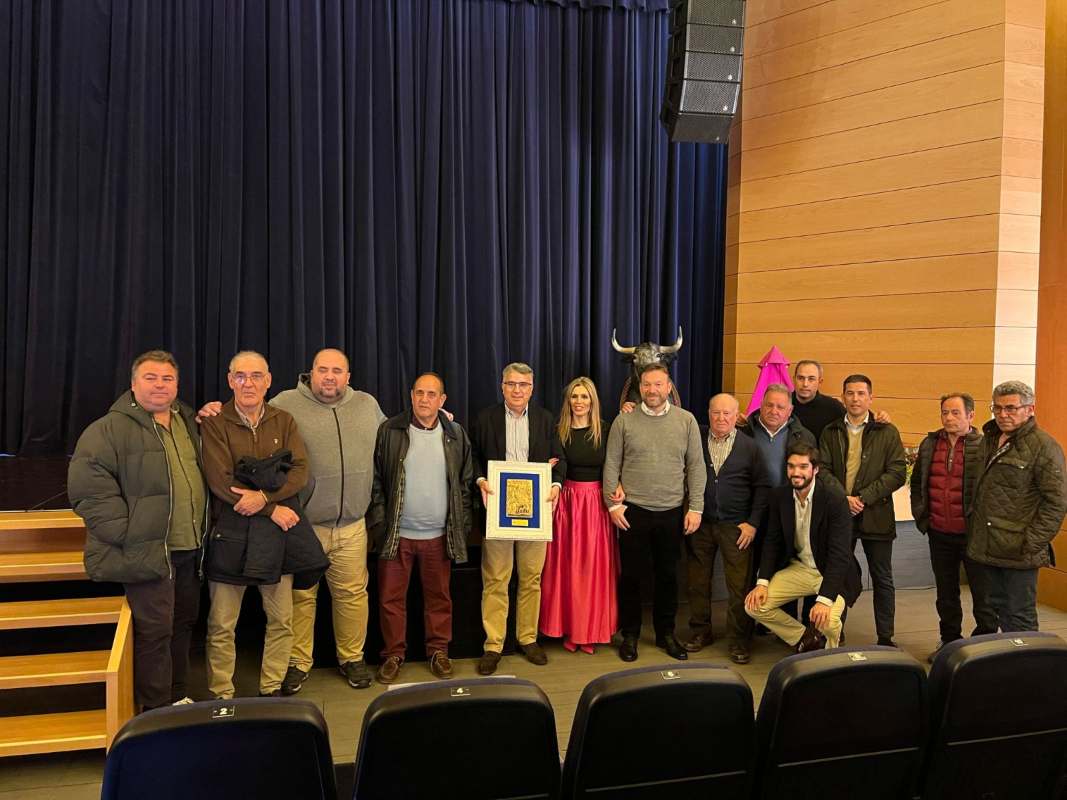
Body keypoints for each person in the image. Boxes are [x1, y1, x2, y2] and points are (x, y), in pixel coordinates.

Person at [69, 350, 207, 709]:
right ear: (133, 383)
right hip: (146, 552)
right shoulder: (107, 430)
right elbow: (89, 490)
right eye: (151, 377)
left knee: (182, 626)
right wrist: (130, 533)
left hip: (188, 548)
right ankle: (155, 713)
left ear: (176, 384)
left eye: (167, 379)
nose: (160, 385)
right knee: (154, 634)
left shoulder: (186, 421)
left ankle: (178, 699)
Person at [271, 350, 385, 693]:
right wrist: (214, 411)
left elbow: (395, 436)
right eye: (323, 370)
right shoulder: (285, 403)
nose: (330, 377)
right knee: (302, 597)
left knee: (352, 595)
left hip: (352, 524)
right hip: (305, 525)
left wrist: (441, 419)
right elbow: (251, 423)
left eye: (337, 371)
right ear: (311, 373)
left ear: (348, 376)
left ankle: (352, 658)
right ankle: (297, 662)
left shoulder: (367, 405)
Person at [200, 351, 309, 698]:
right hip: (230, 534)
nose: (249, 383)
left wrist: (263, 499)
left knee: (281, 620)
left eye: (256, 376)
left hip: (274, 538)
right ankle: (222, 694)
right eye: (241, 376)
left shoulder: (284, 420)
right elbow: (221, 482)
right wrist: (270, 506)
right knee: (221, 625)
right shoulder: (215, 423)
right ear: (230, 380)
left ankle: (271, 689)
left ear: (269, 380)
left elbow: (299, 472)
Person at [368, 373, 474, 684]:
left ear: (442, 400)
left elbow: (464, 484)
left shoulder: (456, 434)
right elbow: (376, 483)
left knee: (439, 598)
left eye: (431, 394)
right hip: (396, 536)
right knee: (390, 599)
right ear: (411, 396)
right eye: (419, 393)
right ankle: (393, 655)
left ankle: (438, 651)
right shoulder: (390, 431)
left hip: (438, 537)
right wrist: (380, 523)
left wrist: (461, 527)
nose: (424, 399)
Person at [603, 363, 706, 662]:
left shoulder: (686, 421)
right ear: (640, 386)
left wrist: (695, 507)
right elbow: (611, 464)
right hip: (632, 511)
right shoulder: (624, 422)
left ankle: (665, 634)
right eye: (647, 384)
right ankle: (631, 635)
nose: (652, 390)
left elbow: (696, 468)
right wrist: (612, 504)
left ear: (669, 386)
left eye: (658, 384)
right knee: (632, 577)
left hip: (672, 511)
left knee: (667, 576)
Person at [470, 362, 565, 675]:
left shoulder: (545, 419)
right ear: (502, 385)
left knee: (531, 578)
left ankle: (527, 638)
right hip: (497, 512)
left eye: (523, 385)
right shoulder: (485, 418)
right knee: (496, 579)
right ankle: (493, 644)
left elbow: (559, 462)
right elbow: (473, 462)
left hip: (535, 514)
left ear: (532, 388)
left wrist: (554, 484)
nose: (517, 390)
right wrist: (481, 481)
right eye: (511, 384)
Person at [968, 381, 1067, 632]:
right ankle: (1001, 668)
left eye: (1011, 408)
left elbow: (1057, 502)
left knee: (1019, 619)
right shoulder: (989, 440)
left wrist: (1030, 543)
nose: (1003, 414)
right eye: (997, 408)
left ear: (1030, 409)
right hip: (986, 547)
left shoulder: (1044, 448)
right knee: (991, 614)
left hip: (1019, 552)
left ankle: (1028, 670)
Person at [744, 443, 862, 651]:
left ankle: (831, 656)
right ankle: (807, 639)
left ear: (815, 469)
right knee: (754, 605)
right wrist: (762, 582)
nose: (796, 472)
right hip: (801, 568)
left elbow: (839, 554)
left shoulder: (834, 500)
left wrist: (825, 600)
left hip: (831, 571)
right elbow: (772, 542)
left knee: (829, 620)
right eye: (791, 466)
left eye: (803, 466)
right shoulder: (779, 497)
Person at [819, 374, 906, 646]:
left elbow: (897, 472)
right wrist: (844, 498)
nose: (855, 398)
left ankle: (886, 637)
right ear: (842, 397)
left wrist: (863, 498)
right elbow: (821, 469)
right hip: (841, 514)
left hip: (876, 515)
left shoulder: (887, 431)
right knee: (837, 574)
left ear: (870, 397)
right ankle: (835, 631)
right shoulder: (830, 431)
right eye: (850, 393)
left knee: (882, 577)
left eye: (860, 393)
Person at [910, 393, 997, 661]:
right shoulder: (929, 444)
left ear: (971, 415)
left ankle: (985, 645)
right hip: (939, 533)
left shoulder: (984, 446)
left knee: (984, 595)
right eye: (945, 412)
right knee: (946, 594)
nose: (949, 418)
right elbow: (917, 484)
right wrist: (922, 516)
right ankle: (949, 642)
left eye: (955, 413)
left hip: (974, 535)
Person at [685, 393, 770, 664]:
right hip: (702, 524)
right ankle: (701, 632)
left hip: (737, 527)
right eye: (715, 413)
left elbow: (762, 488)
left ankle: (738, 641)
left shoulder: (750, 447)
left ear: (738, 416)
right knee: (698, 582)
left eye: (727, 414)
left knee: (739, 587)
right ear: (708, 414)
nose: (721, 418)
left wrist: (753, 523)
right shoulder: (695, 438)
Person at [539, 377, 618, 654]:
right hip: (566, 503)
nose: (579, 402)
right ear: (568, 401)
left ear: (592, 401)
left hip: (596, 505)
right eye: (574, 397)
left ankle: (589, 630)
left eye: (584, 397)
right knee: (567, 568)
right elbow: (550, 463)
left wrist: (618, 487)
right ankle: (569, 629)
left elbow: (617, 464)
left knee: (592, 570)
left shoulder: (605, 430)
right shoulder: (557, 430)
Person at [739, 383, 816, 488]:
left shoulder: (805, 437)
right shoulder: (743, 432)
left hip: (788, 501)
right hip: (751, 501)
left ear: (789, 411)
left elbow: (812, 476)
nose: (773, 411)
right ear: (761, 405)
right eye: (769, 405)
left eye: (780, 407)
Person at [790, 360, 847, 442]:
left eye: (811, 379)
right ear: (794, 379)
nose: (805, 384)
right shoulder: (782, 404)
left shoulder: (833, 407)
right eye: (801, 378)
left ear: (820, 382)